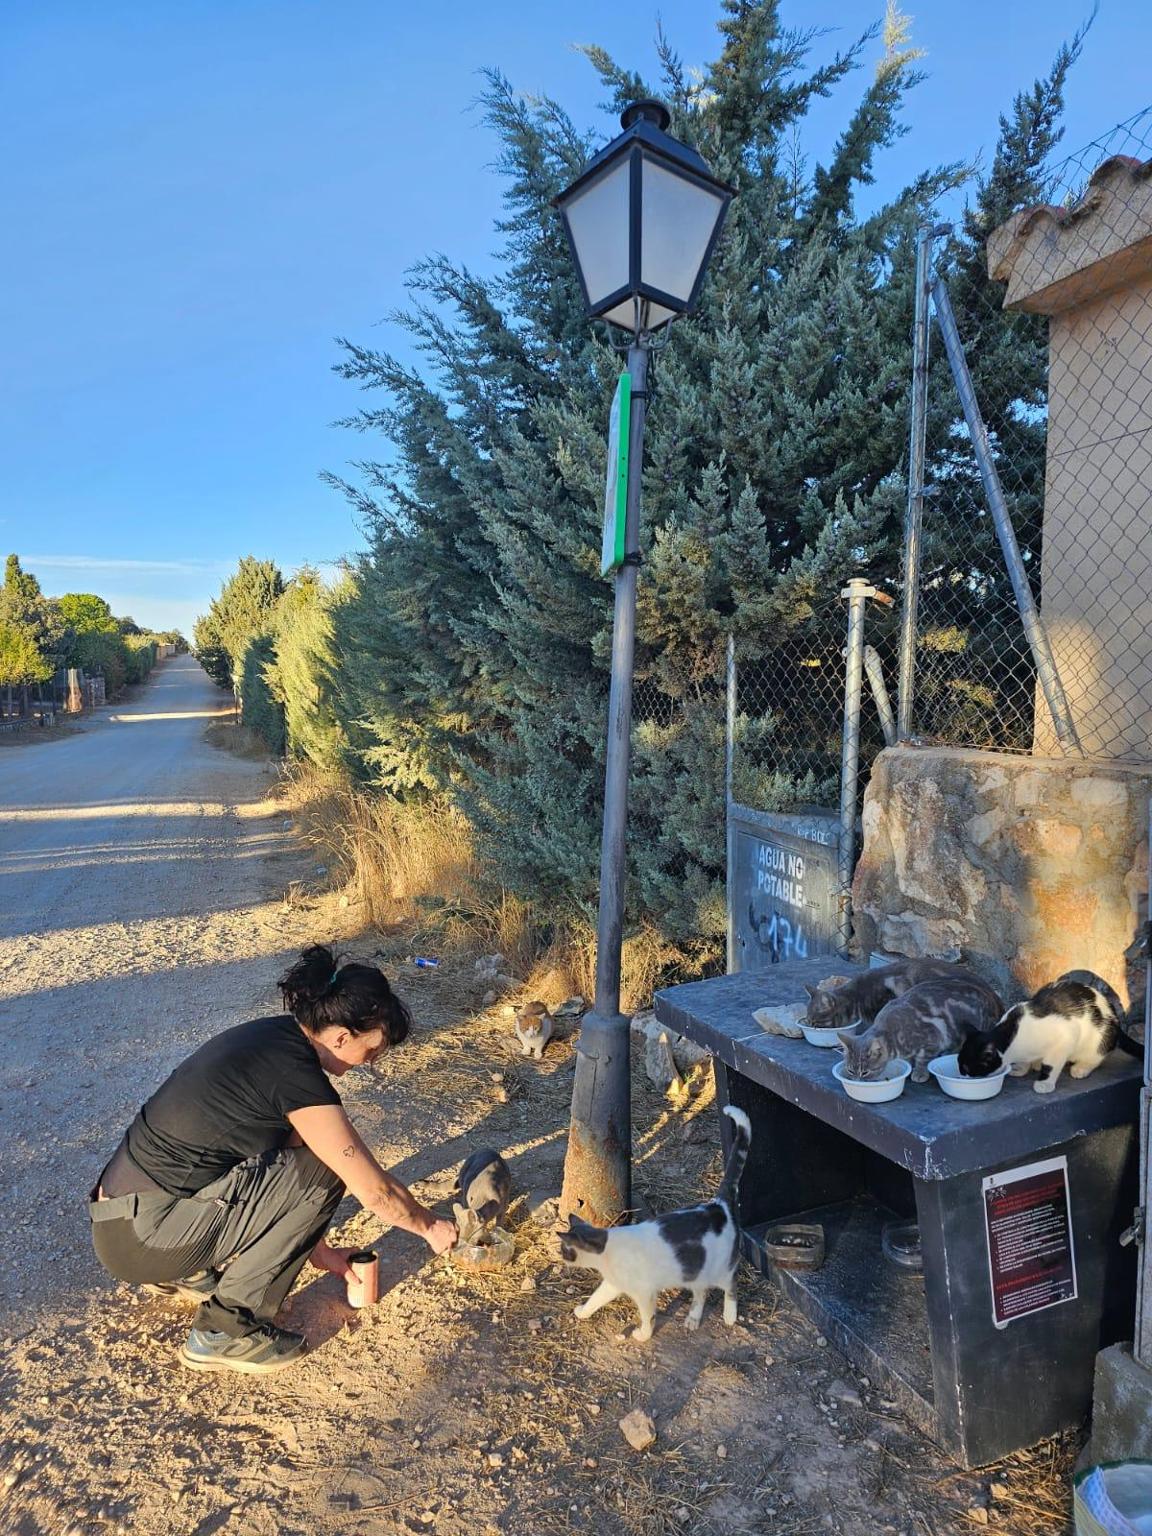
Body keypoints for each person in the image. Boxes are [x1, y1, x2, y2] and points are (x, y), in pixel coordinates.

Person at [88, 943, 457, 1374]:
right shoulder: (295, 1077)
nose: (369, 1064)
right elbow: (373, 1190)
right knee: (328, 1171)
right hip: (145, 1240)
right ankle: (225, 1331)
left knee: (302, 1166)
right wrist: (430, 1226)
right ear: (342, 1036)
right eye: (371, 1052)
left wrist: (321, 1253)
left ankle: (187, 1269)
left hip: (119, 1220)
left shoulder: (274, 1038)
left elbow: (284, 1181)